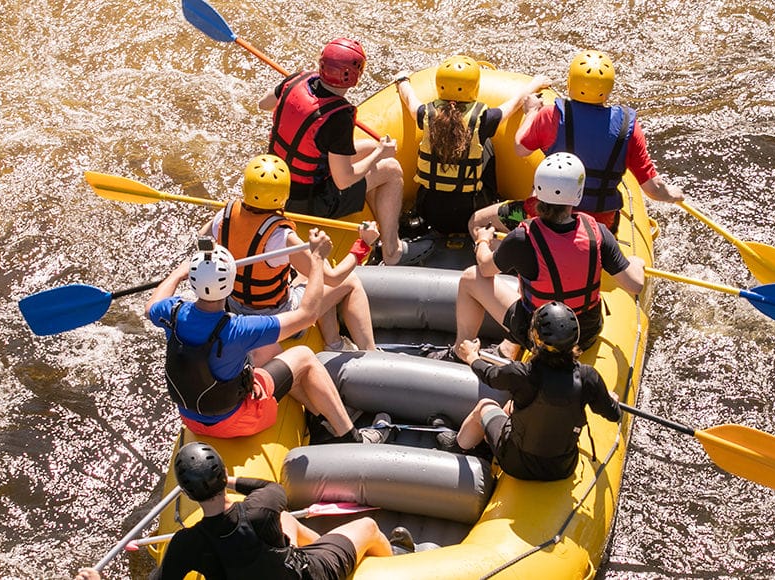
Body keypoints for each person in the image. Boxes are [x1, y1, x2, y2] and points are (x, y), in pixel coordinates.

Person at [144, 236, 379, 442]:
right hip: (236, 420)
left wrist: (178, 273)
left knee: (268, 350)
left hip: (191, 419)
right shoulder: (239, 328)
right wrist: (317, 259)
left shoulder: (173, 312)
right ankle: (349, 434)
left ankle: (319, 417)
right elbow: (307, 315)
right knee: (304, 357)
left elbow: (150, 307)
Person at [73, 443, 402, 580]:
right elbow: (267, 486)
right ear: (222, 478)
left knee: (287, 522)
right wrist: (229, 478)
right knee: (369, 526)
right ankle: (400, 563)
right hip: (305, 576)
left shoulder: (187, 545)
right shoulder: (262, 506)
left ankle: (318, 543)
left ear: (187, 493)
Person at [451, 152, 645, 359]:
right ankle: (509, 346)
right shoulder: (597, 232)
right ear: (578, 194)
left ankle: (461, 350)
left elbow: (485, 268)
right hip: (586, 334)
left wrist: (482, 240)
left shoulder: (522, 238)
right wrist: (636, 262)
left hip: (539, 337)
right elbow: (635, 285)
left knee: (471, 277)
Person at [470, 50, 683, 234]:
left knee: (477, 221)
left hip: (545, 215)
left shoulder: (550, 115)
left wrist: (531, 112)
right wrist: (671, 194)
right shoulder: (628, 126)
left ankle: (505, 264)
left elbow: (521, 148)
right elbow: (653, 189)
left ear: (570, 83)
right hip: (601, 223)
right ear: (608, 89)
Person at [205, 154, 380, 359]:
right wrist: (363, 245)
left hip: (236, 306)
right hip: (277, 320)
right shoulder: (281, 238)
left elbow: (203, 239)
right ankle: (371, 353)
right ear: (284, 195)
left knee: (308, 276)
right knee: (348, 281)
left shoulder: (223, 217)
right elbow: (333, 277)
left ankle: (334, 342)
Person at [260, 37, 407, 265]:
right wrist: (380, 154)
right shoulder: (339, 118)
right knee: (391, 167)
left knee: (369, 147)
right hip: (307, 203)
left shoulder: (298, 79)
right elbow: (343, 180)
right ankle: (392, 250)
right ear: (355, 75)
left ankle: (378, 211)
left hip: (280, 183)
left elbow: (264, 104)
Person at [441, 303, 622, 482]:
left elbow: (489, 375)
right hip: (562, 468)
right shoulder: (588, 377)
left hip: (516, 463)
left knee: (485, 406)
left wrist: (472, 357)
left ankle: (458, 446)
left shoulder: (521, 374)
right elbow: (613, 414)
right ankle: (488, 444)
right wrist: (609, 399)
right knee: (510, 408)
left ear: (535, 339)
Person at [392, 56, 549, 234]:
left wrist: (402, 80)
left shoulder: (425, 114)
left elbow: (410, 99)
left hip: (429, 213)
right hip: (471, 214)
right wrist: (535, 83)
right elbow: (514, 103)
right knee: (486, 142)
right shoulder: (484, 120)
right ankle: (493, 200)